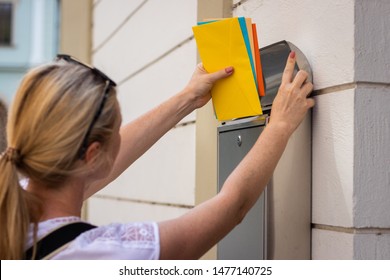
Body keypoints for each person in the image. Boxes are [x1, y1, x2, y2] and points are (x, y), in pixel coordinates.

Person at [0, 51, 314, 260]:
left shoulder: (14, 205)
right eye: (115, 135)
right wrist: (281, 125)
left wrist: (188, 97)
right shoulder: (96, 255)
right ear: (91, 155)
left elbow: (97, 161)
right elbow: (232, 207)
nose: (119, 142)